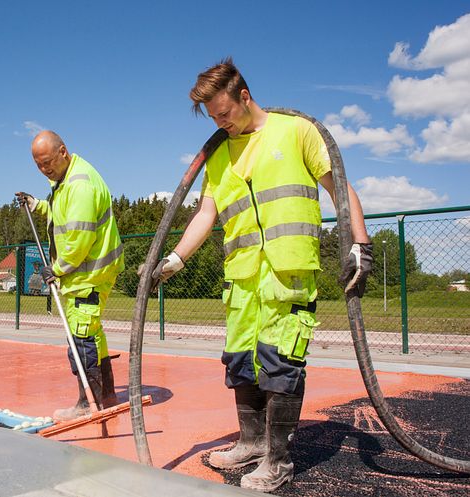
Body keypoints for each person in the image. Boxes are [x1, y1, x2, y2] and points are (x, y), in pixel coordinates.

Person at [150, 58, 372, 492]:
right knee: (241, 362)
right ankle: (251, 444)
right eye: (212, 117)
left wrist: (360, 245)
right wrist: (174, 259)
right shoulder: (218, 155)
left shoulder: (296, 132)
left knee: (280, 363)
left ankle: (278, 460)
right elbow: (206, 213)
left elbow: (339, 187)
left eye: (224, 114)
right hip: (242, 281)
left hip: (286, 274)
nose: (220, 123)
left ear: (244, 96)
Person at [16, 130, 125, 421]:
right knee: (93, 333)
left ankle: (87, 403)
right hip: (85, 273)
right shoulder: (64, 180)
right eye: (38, 165)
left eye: (48, 162)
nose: (44, 169)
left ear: (63, 151)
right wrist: (36, 204)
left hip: (87, 274)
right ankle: (107, 395)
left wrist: (57, 269)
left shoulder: (80, 184)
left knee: (81, 337)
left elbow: (78, 239)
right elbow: (59, 212)